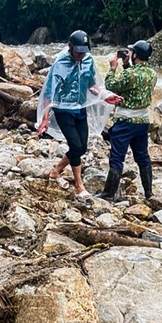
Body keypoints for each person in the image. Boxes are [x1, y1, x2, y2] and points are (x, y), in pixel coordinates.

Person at [37, 30, 120, 201]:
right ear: (70, 47)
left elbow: (91, 85)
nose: (81, 54)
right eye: (78, 51)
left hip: (80, 109)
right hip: (63, 110)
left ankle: (56, 171)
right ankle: (79, 185)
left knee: (82, 147)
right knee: (75, 145)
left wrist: (105, 96)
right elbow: (49, 93)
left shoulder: (88, 60)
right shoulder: (60, 63)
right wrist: (45, 118)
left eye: (84, 51)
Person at [96, 39, 158, 201]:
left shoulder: (130, 74)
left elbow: (111, 85)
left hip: (125, 121)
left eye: (131, 52)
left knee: (117, 157)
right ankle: (149, 192)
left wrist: (112, 67)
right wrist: (126, 64)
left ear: (136, 54)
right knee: (142, 156)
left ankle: (109, 193)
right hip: (142, 122)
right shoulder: (152, 73)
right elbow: (135, 81)